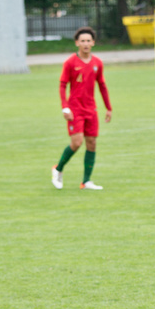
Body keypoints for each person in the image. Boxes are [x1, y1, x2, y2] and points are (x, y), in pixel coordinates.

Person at [51, 26, 112, 190]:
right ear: (77, 43)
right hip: (75, 109)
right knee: (77, 143)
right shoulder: (70, 62)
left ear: (93, 42)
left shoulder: (97, 63)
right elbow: (63, 85)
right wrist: (65, 107)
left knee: (91, 143)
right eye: (82, 41)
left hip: (91, 109)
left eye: (88, 40)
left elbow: (102, 86)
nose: (85, 43)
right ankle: (58, 169)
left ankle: (86, 181)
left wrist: (108, 108)